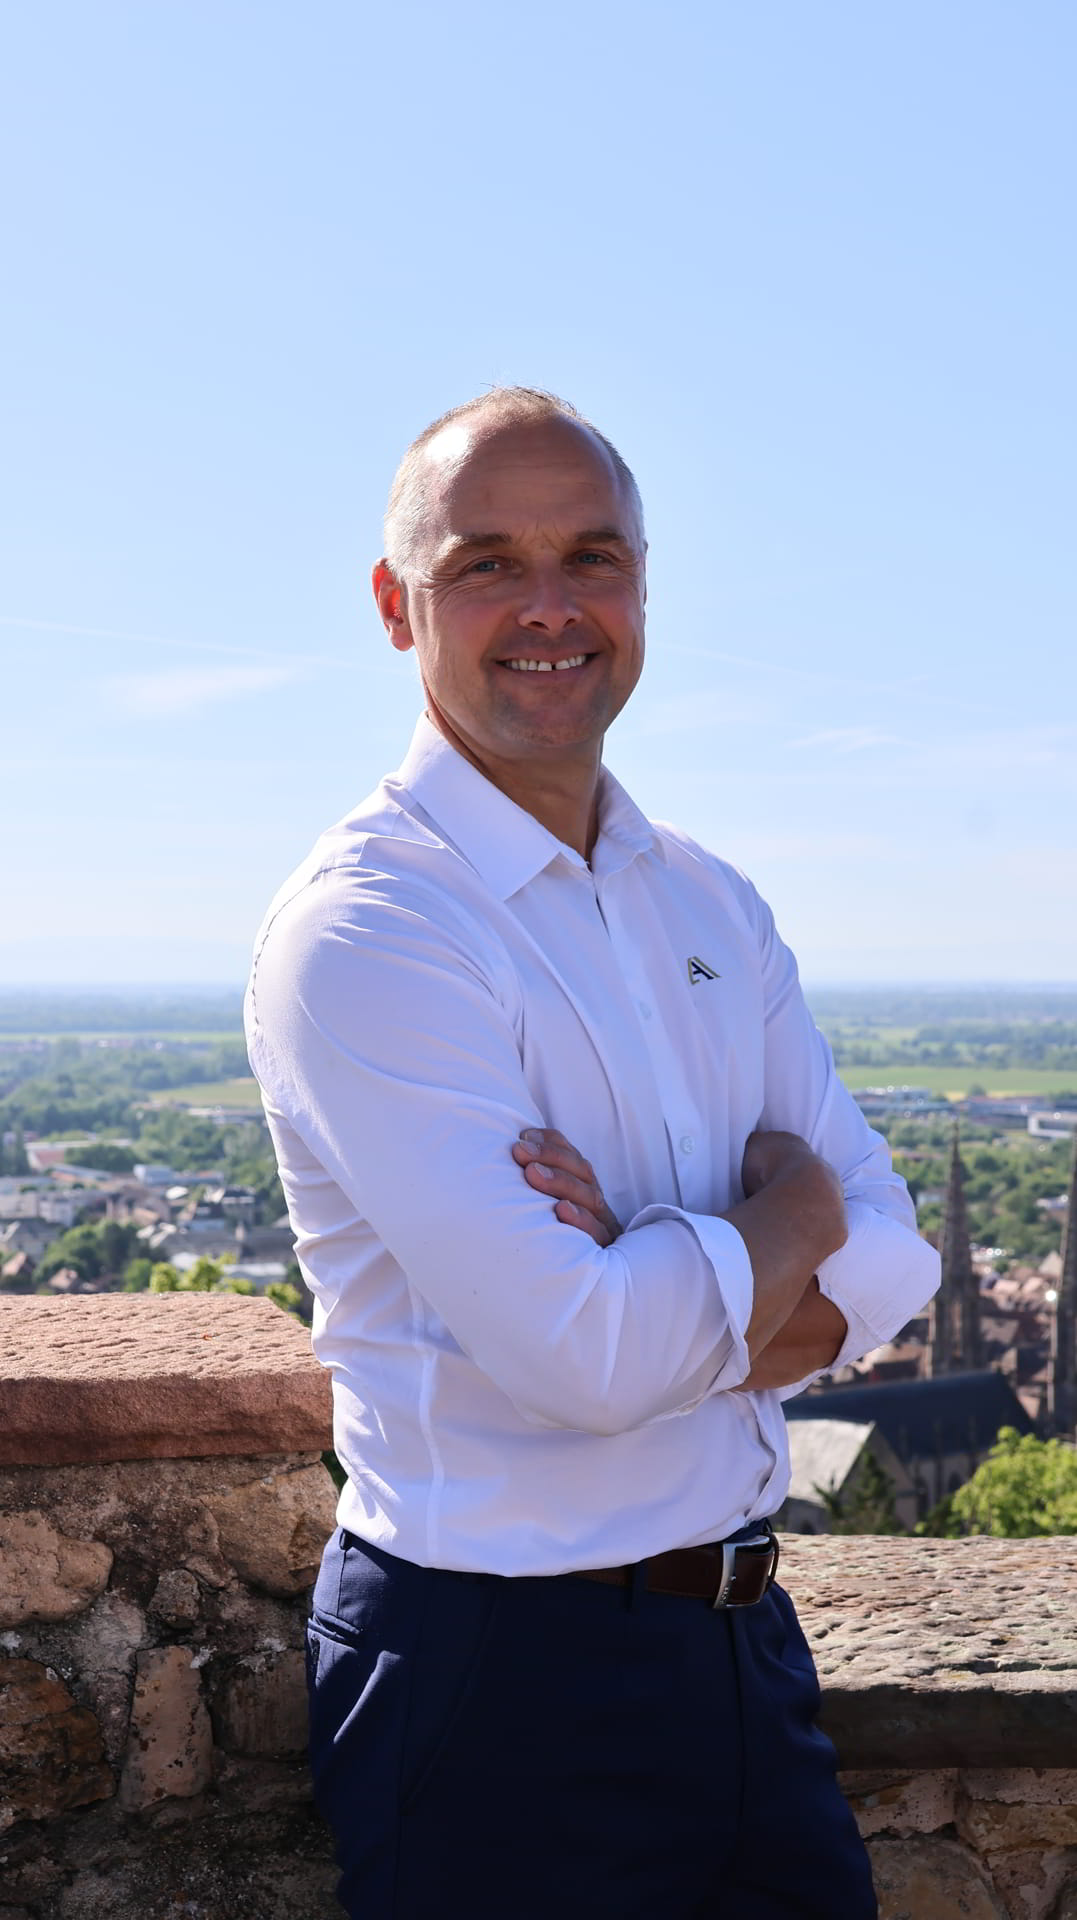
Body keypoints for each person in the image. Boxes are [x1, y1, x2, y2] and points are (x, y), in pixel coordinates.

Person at [244, 387, 939, 1919]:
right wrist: (784, 1214)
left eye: (591, 557)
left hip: (747, 1648)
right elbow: (589, 1362)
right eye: (486, 563)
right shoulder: (371, 930)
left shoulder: (707, 901)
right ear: (396, 606)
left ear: (640, 586)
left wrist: (654, 1262)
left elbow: (896, 1255)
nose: (549, 608)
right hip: (497, 1678)